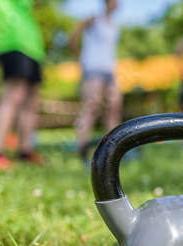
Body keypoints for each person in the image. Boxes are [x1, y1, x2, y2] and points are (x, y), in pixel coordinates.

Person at [0, 0, 46, 169]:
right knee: (14, 93)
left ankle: (25, 151)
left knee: (32, 98)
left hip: (33, 43)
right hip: (11, 38)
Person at [69, 0, 122, 163]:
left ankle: (114, 150)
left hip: (109, 72)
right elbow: (72, 37)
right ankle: (81, 148)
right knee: (91, 108)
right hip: (93, 71)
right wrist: (81, 58)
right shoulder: (93, 19)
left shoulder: (115, 27)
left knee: (114, 107)